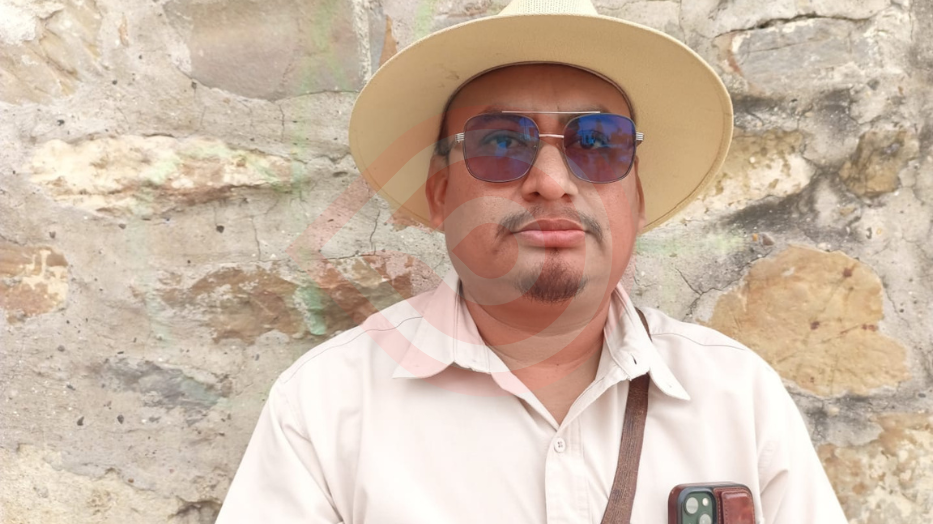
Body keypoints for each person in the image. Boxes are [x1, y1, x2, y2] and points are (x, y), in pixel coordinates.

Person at [216, 0, 848, 522]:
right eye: (501, 143)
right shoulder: (326, 407)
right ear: (440, 195)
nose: (551, 181)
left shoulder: (736, 396)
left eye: (597, 143)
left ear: (637, 200)